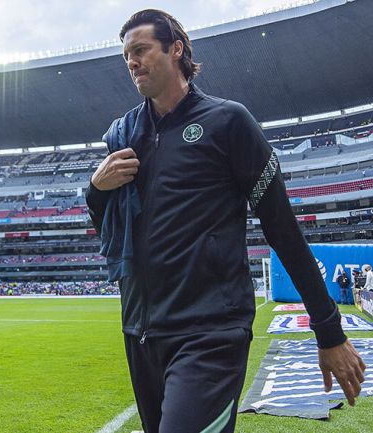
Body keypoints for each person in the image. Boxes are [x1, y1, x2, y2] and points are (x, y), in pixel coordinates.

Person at [86, 10, 365, 433]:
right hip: (141, 332)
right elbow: (109, 228)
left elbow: (283, 230)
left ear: (175, 49)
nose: (132, 63)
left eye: (141, 50)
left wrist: (328, 331)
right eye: (127, 56)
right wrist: (95, 189)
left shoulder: (227, 122)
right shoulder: (126, 136)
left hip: (210, 332)